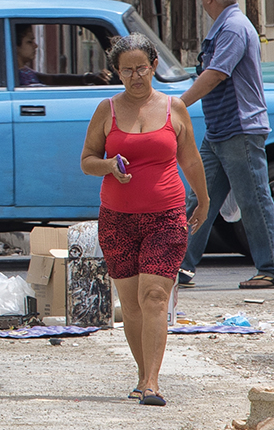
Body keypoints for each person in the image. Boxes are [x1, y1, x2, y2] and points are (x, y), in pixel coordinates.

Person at [81, 33, 208, 407]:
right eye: (126, 71)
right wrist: (108, 165)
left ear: (154, 65)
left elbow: (190, 159)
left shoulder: (175, 109)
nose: (136, 76)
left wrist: (203, 199)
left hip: (166, 216)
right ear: (116, 74)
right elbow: (87, 160)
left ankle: (152, 383)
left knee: (154, 296)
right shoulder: (107, 110)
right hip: (117, 220)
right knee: (131, 304)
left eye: (141, 68)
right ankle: (142, 375)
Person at [178, 0, 274, 290]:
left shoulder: (232, 27)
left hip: (239, 129)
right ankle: (179, 266)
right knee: (199, 199)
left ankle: (273, 269)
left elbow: (215, 74)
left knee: (254, 199)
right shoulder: (225, 25)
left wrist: (178, 104)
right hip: (220, 130)